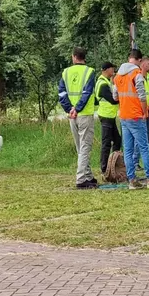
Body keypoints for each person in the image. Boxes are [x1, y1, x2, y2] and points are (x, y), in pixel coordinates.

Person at [113, 49, 149, 189]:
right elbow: (141, 96)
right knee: (144, 147)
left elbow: (115, 96)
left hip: (124, 116)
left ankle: (132, 180)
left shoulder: (118, 76)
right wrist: (144, 112)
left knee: (127, 150)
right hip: (136, 116)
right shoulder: (136, 74)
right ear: (139, 60)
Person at [58, 47, 97, 190]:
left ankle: (88, 175)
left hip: (72, 115)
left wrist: (69, 109)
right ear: (83, 57)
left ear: (73, 57)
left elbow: (61, 93)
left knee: (80, 147)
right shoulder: (89, 72)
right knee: (85, 147)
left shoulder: (66, 72)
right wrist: (78, 108)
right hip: (84, 113)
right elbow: (87, 93)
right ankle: (81, 179)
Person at [94, 61, 121, 180]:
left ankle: (113, 164)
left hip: (110, 116)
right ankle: (104, 169)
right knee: (106, 143)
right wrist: (123, 97)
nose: (113, 71)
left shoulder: (106, 82)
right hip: (105, 117)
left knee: (117, 140)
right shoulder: (102, 84)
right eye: (111, 68)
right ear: (106, 70)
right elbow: (112, 100)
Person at [133, 56, 149, 169]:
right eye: (148, 64)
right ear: (142, 64)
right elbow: (135, 96)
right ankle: (135, 162)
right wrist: (144, 107)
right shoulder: (137, 77)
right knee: (139, 139)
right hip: (141, 112)